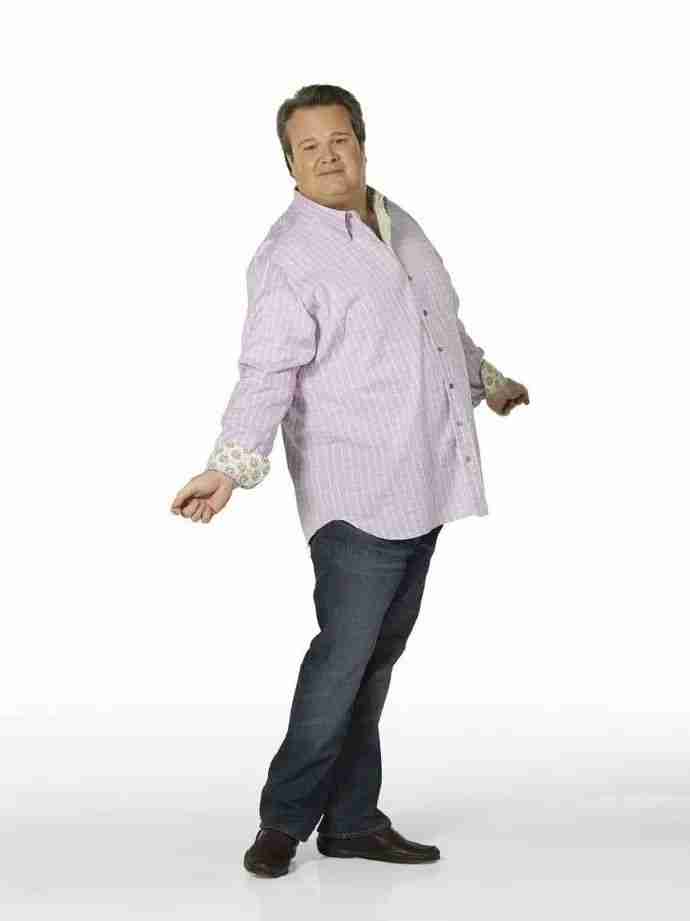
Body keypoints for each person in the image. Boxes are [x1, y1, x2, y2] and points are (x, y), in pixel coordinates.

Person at [170, 84, 529, 878]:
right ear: (289, 163)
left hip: (424, 480)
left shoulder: (397, 220)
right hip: (356, 492)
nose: (328, 156)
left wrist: (491, 382)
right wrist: (229, 466)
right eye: (309, 147)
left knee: (370, 664)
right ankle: (282, 821)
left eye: (340, 140)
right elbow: (267, 371)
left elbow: (438, 324)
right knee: (341, 662)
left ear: (362, 143)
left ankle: (354, 820)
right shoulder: (289, 258)